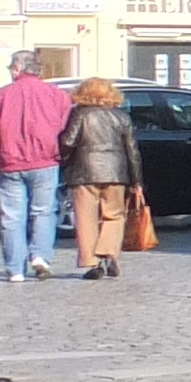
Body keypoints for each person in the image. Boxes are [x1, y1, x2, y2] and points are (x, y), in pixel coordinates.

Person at [0, 55, 72, 283]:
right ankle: (40, 256)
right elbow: (67, 131)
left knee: (11, 217)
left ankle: (15, 269)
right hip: (46, 161)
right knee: (44, 211)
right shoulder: (58, 96)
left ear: (17, 69)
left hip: (9, 163)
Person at [58, 79, 141, 281]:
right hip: (116, 174)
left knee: (86, 219)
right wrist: (136, 180)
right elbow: (132, 151)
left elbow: (68, 141)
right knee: (114, 216)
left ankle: (93, 263)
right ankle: (108, 251)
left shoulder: (80, 113)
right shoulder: (121, 116)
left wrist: (63, 158)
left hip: (84, 173)